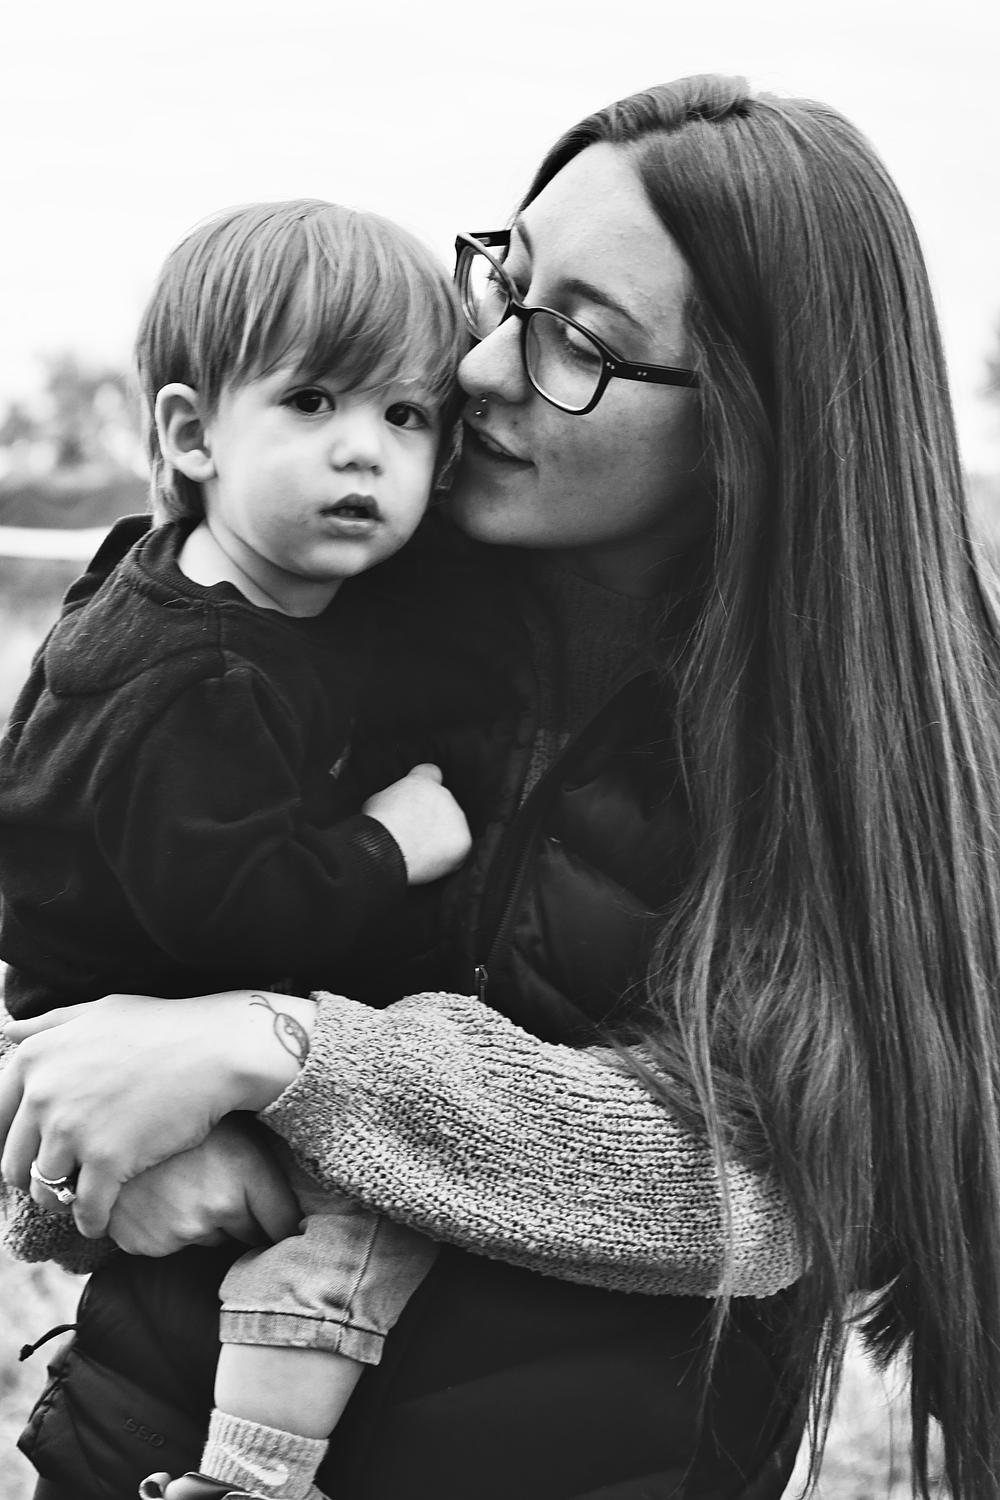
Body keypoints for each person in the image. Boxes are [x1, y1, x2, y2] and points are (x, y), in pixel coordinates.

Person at [2, 69, 999, 1500]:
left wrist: (278, 1056)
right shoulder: (307, 590)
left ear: (757, 416)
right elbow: (71, 912)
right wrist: (90, 1157)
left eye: (578, 340)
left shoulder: (871, 738)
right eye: (505, 286)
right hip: (138, 1447)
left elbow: (763, 1187)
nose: (475, 368)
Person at [0, 199, 477, 1500]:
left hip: (103, 1013)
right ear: (190, 434)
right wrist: (385, 846)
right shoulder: (205, 677)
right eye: (312, 402)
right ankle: (249, 1474)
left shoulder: (171, 576)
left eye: (407, 414)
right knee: (366, 1214)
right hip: (128, 1031)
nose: (364, 450)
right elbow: (234, 916)